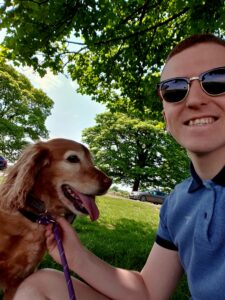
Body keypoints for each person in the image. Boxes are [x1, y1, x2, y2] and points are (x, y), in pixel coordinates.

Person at [13, 33, 225, 300]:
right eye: (175, 90)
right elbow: (148, 291)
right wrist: (77, 257)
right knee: (40, 284)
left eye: (217, 80)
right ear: (166, 116)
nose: (194, 100)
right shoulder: (177, 203)